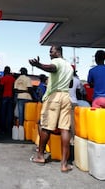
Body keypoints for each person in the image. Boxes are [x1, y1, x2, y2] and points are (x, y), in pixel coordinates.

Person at [29, 45, 73, 173]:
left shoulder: (56, 62)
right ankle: (64, 164)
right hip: (66, 96)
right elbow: (69, 84)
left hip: (54, 97)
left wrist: (39, 65)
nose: (50, 54)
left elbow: (52, 68)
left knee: (46, 126)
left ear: (58, 52)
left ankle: (40, 156)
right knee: (65, 128)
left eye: (51, 51)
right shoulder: (69, 66)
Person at [0, 66, 16, 133]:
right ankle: (8, 128)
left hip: (4, 96)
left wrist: (0, 97)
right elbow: (13, 88)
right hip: (10, 97)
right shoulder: (13, 79)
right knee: (9, 113)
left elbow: (1, 88)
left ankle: (2, 129)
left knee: (3, 113)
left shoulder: (3, 78)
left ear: (5, 71)